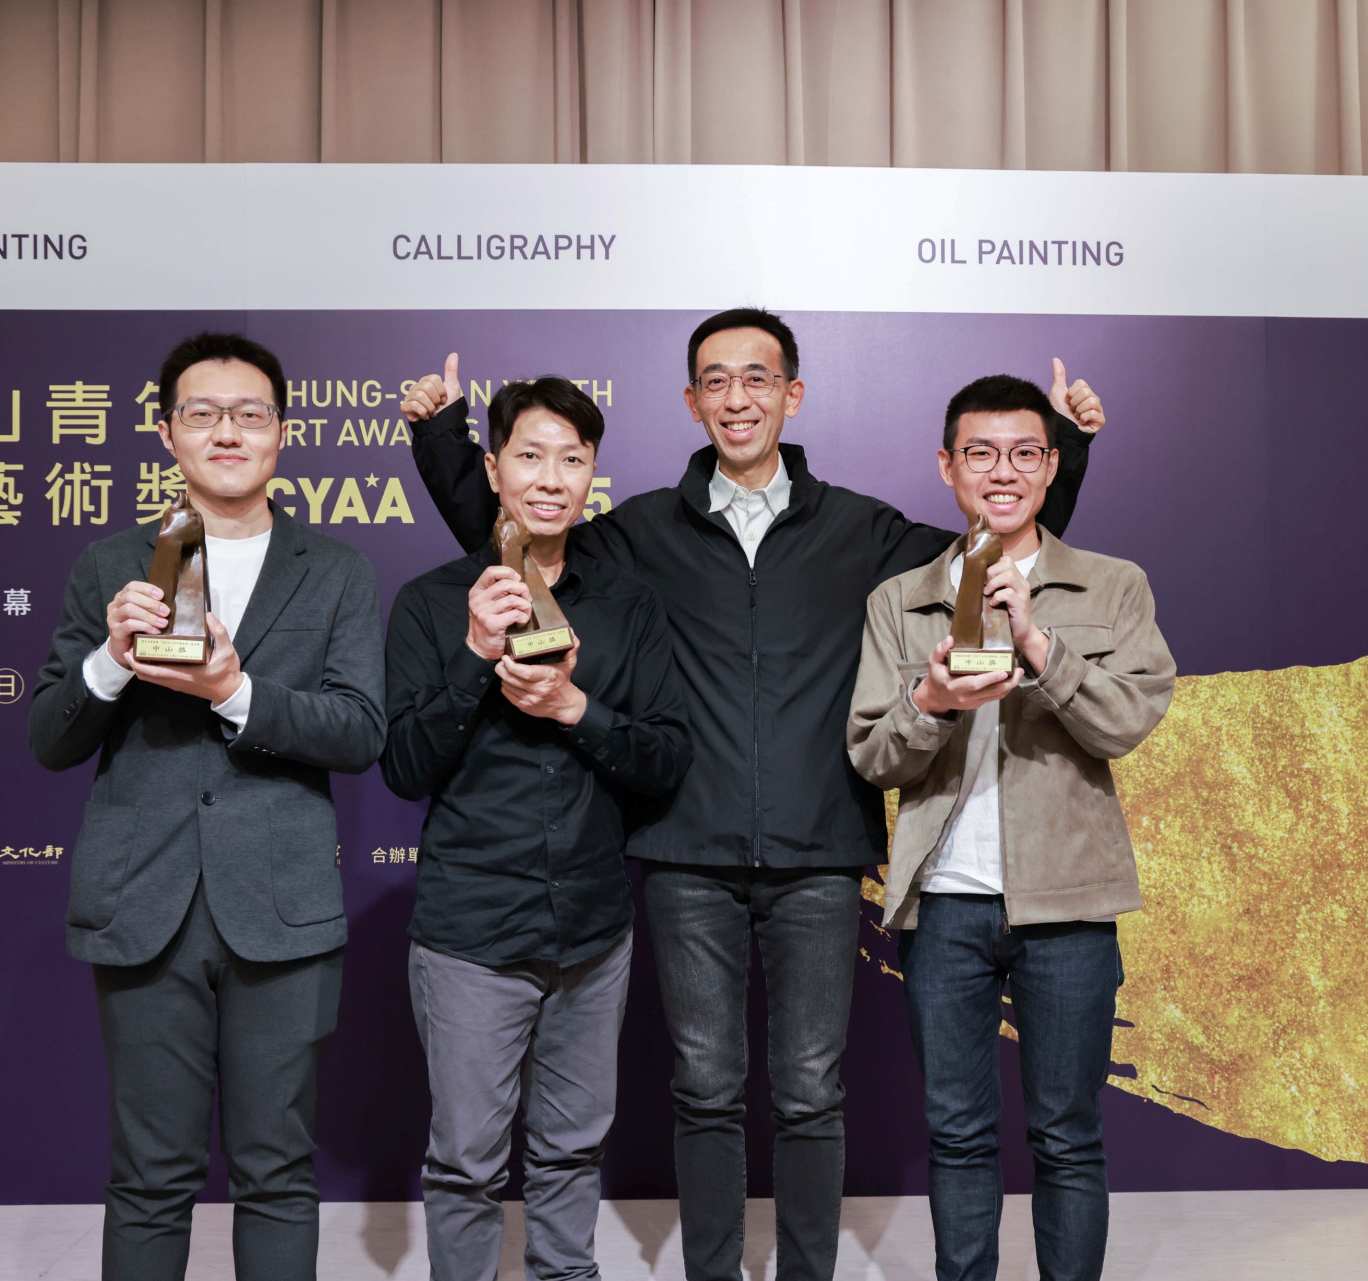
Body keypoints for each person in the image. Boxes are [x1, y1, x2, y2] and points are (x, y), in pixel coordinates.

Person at [398, 310, 1105, 1281]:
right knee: (704, 1087)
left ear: (792, 394)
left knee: (811, 1090)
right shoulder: (640, 532)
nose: (738, 398)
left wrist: (1065, 448)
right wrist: (443, 440)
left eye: (758, 378)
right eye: (717, 381)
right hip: (686, 850)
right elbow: (520, 538)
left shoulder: (861, 529)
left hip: (821, 848)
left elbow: (993, 551)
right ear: (693, 401)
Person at [30, 332, 386, 1281]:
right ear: (166, 432)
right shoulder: (110, 564)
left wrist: (235, 691)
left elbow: (360, 731)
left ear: (282, 431)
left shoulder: (337, 568)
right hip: (142, 907)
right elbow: (50, 738)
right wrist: (109, 662)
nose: (227, 431)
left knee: (278, 1172)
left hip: (282, 909)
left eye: (249, 413)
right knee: (150, 1177)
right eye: (203, 412)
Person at [846, 374, 1173, 1281]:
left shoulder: (1111, 584)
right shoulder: (901, 599)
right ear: (947, 466)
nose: (1003, 471)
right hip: (945, 907)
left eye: (1024, 452)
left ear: (1051, 466)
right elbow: (873, 753)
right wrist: (930, 701)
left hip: (1068, 907)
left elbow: (1126, 723)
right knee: (957, 1134)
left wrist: (1041, 647)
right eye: (981, 452)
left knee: (1067, 1134)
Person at [379, 376, 690, 1281]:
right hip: (471, 936)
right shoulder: (431, 602)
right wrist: (476, 655)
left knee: (571, 1151)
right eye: (530, 456)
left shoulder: (627, 604)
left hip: (594, 933)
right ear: (492, 469)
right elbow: (403, 767)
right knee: (466, 1163)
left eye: (572, 459)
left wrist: (574, 708)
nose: (551, 478)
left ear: (592, 473)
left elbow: (667, 755)